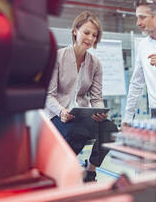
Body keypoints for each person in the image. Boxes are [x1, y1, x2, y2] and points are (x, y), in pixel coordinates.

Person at [45, 11, 118, 182]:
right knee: (77, 132)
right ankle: (61, 171)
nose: (90, 38)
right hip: (57, 114)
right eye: (86, 32)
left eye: (94, 35)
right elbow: (48, 96)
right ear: (75, 31)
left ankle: (90, 171)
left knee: (110, 129)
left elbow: (96, 97)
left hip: (80, 114)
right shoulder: (58, 57)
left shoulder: (95, 64)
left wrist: (100, 111)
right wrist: (62, 111)